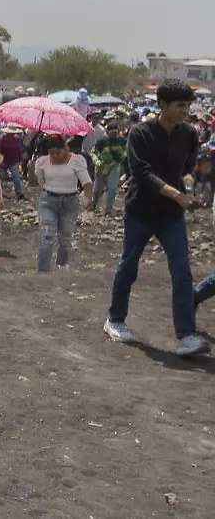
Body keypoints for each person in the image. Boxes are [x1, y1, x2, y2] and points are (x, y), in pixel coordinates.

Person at [104, 79, 215, 357]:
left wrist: (190, 190)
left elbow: (187, 168)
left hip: (172, 217)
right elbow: (141, 172)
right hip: (141, 211)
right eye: (179, 106)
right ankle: (115, 319)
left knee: (182, 273)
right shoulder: (140, 133)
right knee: (129, 266)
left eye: (188, 106)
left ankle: (186, 336)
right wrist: (176, 194)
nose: (185, 111)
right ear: (162, 104)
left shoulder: (188, 134)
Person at [31, 134, 93, 273]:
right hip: (48, 200)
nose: (55, 156)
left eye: (58, 152)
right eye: (51, 153)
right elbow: (35, 183)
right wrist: (32, 166)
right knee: (46, 235)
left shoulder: (76, 161)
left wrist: (87, 200)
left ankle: (62, 263)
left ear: (65, 148)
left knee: (65, 237)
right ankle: (43, 271)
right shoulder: (43, 161)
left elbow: (87, 183)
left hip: (70, 202)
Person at [91, 119, 126, 214]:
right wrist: (97, 161)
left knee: (113, 188)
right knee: (97, 190)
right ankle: (93, 204)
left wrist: (123, 156)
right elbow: (93, 152)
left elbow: (126, 151)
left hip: (114, 167)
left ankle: (108, 210)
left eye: (116, 132)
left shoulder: (121, 140)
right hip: (101, 167)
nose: (114, 135)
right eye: (112, 133)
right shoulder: (102, 141)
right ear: (107, 132)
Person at [0, 125, 25, 200]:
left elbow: (19, 150)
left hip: (13, 161)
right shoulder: (1, 139)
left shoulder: (17, 139)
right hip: (3, 161)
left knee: (16, 177)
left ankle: (18, 192)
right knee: (0, 178)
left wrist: (20, 159)